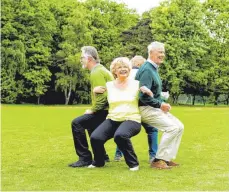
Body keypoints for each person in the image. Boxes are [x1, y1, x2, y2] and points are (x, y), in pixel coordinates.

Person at [89, 57, 144, 171]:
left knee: (120, 135)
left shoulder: (137, 84)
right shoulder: (109, 86)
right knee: (95, 137)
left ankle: (133, 164)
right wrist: (94, 92)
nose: (123, 69)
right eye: (119, 67)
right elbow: (102, 101)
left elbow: (148, 98)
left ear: (129, 69)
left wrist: (149, 93)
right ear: (114, 71)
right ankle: (99, 162)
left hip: (132, 119)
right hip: (113, 119)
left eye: (125, 67)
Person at [136, 41, 184, 169]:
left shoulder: (153, 69)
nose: (162, 55)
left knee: (179, 126)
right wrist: (160, 104)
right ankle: (158, 160)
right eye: (160, 52)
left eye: (163, 52)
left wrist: (161, 100)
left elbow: (153, 93)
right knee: (173, 128)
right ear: (151, 53)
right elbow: (143, 96)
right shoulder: (147, 69)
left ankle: (166, 158)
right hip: (145, 108)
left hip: (153, 107)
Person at [68, 46, 113, 168]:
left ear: (89, 59)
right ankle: (102, 155)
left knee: (77, 123)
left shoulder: (96, 72)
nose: (81, 60)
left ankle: (84, 158)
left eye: (82, 57)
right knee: (90, 125)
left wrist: (93, 110)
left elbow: (103, 96)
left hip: (105, 110)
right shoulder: (100, 70)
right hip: (108, 109)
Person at [114, 56, 159, 162]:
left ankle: (118, 154)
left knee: (123, 132)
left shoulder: (126, 74)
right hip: (144, 106)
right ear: (141, 65)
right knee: (152, 130)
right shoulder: (145, 73)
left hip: (130, 108)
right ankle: (153, 155)